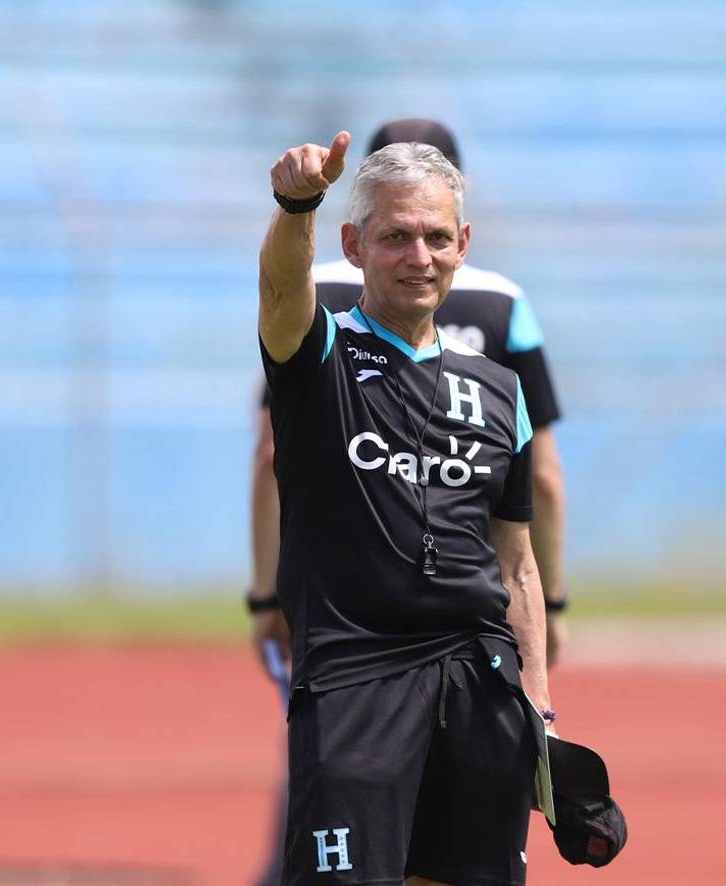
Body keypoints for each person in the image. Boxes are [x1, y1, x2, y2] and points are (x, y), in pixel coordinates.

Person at [247, 120, 569, 885]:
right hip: (355, 682)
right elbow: (282, 288)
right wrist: (297, 208)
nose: (417, 257)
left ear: (463, 242)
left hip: (479, 686)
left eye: (434, 237)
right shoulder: (318, 354)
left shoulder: (500, 391)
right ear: (355, 246)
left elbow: (514, 558)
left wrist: (536, 701)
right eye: (395, 238)